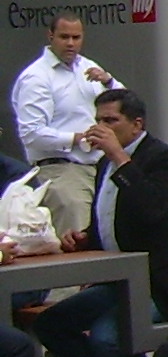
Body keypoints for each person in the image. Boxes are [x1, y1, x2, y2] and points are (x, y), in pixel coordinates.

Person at [34, 89, 168, 357]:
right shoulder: (104, 165)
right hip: (119, 283)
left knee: (107, 337)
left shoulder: (162, 158)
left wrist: (120, 160)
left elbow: (153, 208)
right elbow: (113, 221)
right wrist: (82, 238)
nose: (102, 127)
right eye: (98, 120)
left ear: (136, 124)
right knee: (51, 324)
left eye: (111, 120)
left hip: (160, 284)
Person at [10, 12, 119, 239]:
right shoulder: (36, 77)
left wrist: (108, 81)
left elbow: (125, 105)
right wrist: (77, 138)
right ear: (51, 36)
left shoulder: (88, 67)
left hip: (101, 165)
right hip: (62, 169)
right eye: (64, 37)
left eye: (76, 37)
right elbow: (31, 133)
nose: (70, 43)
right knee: (77, 236)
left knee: (111, 234)